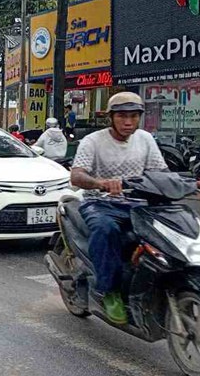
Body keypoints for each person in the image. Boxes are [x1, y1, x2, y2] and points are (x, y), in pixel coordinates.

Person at [71, 92, 168, 325]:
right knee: (105, 230)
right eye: (123, 116)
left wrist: (186, 184)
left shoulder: (145, 139)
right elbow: (77, 175)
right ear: (111, 118)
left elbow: (160, 172)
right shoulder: (93, 141)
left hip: (138, 204)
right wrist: (100, 183)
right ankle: (109, 290)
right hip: (100, 203)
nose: (128, 122)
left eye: (134, 116)